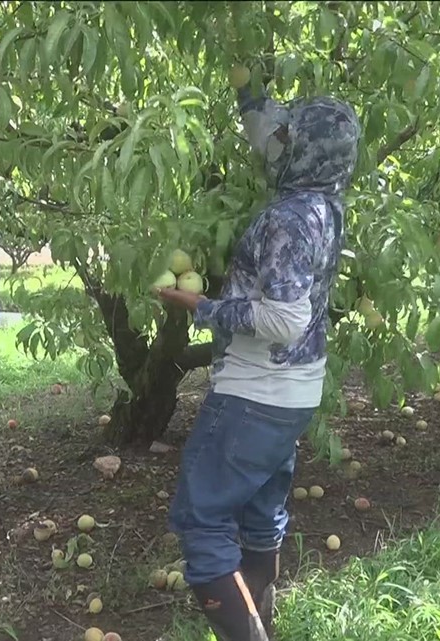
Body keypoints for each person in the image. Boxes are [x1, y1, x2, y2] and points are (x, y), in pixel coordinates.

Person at [154, 69, 361, 640]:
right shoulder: (323, 205)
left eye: (292, 138)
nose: (281, 142)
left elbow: (283, 321)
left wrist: (197, 305)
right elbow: (271, 137)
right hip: (293, 394)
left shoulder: (287, 221)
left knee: (201, 523)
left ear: (307, 152)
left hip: (254, 396)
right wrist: (247, 90)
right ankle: (260, 622)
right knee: (259, 518)